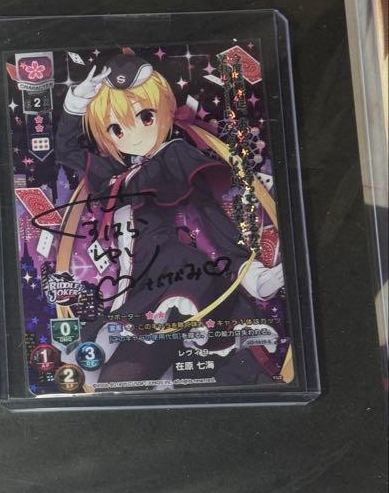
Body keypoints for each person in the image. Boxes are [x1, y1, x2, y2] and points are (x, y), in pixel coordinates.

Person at [55, 48, 286, 389]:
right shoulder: (111, 173)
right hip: (134, 282)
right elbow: (66, 150)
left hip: (174, 267)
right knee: (118, 376)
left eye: (146, 117)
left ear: (164, 112)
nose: (133, 132)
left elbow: (207, 213)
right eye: (116, 128)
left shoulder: (172, 155)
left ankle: (245, 285)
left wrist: (245, 268)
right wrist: (79, 100)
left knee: (185, 282)